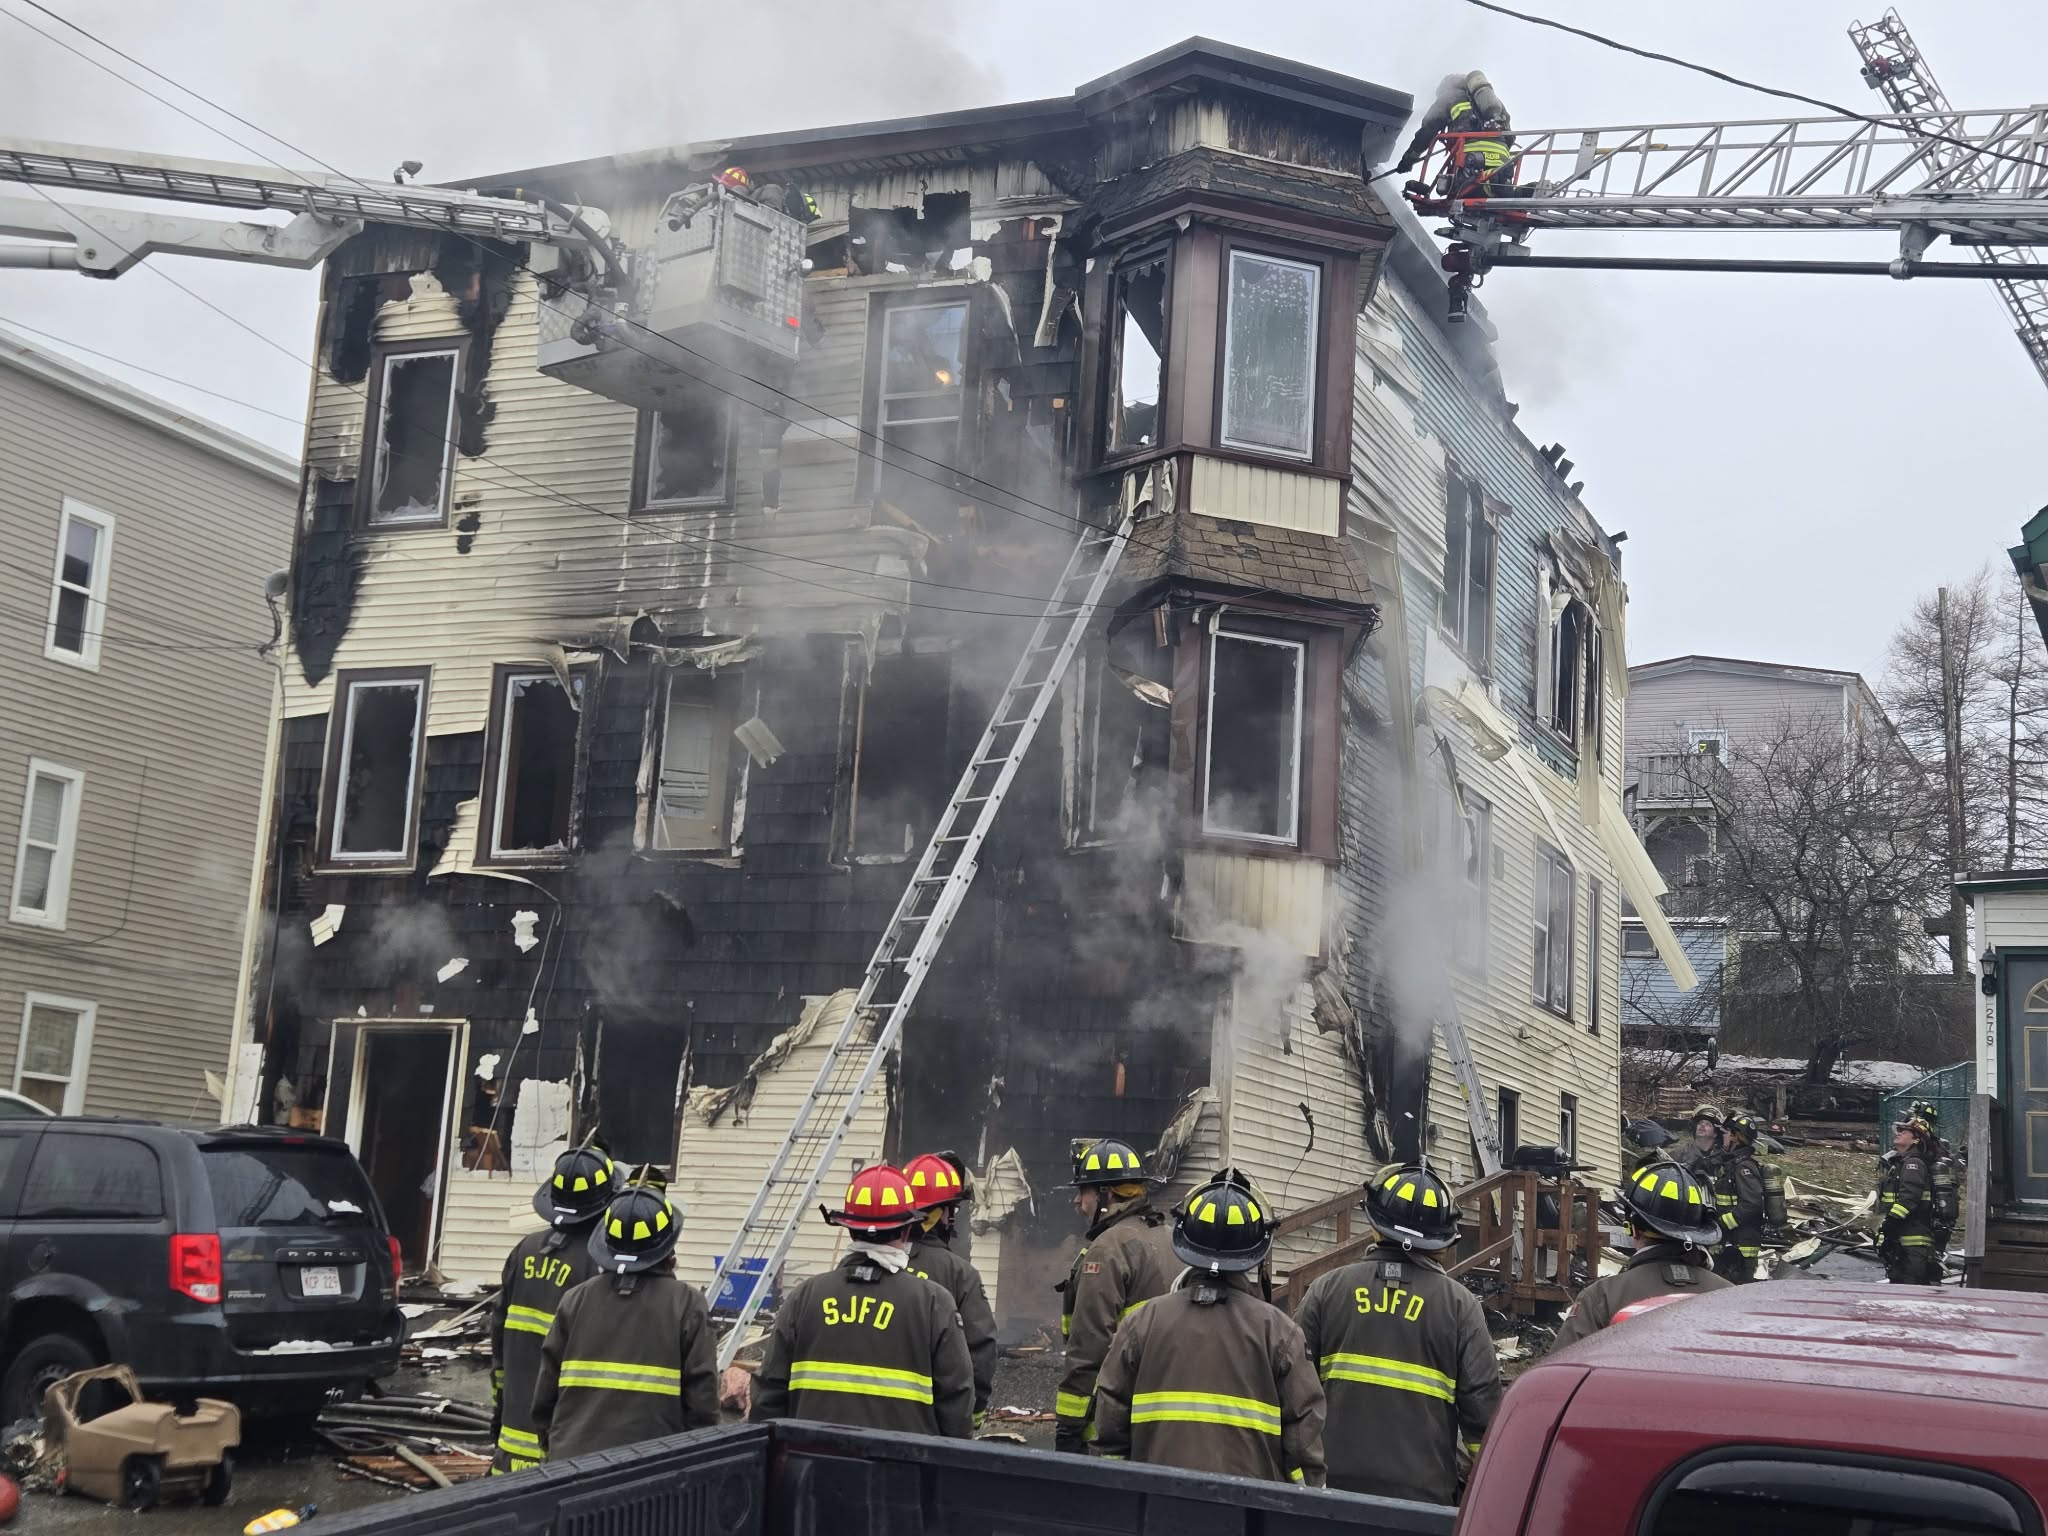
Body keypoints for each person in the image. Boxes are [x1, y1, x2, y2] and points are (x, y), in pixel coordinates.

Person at [1093, 1170, 1325, 1487]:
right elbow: (1302, 1444)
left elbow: (1110, 1425)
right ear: (1256, 1251)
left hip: (1156, 1502)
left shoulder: (1141, 1323)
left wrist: (1122, 1493)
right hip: (1249, 1509)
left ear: (1185, 1240)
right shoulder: (1281, 1334)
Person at [1295, 1164, 1502, 1505]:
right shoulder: (1460, 1306)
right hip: (1425, 1501)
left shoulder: (1326, 1291)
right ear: (1443, 1241)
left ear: (1375, 1226)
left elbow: (1292, 1393)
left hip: (1331, 1494)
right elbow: (1482, 1415)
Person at [751, 1164, 974, 1437]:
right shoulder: (934, 1303)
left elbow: (768, 1397)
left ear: (849, 1229)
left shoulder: (804, 1297)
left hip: (810, 1459)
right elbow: (957, 1404)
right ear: (906, 1230)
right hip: (903, 1462)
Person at [531, 1181, 719, 1462]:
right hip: (650, 1469)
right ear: (668, 1247)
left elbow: (546, 1391)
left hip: (571, 1465)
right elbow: (702, 1400)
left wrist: (553, 1446)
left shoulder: (575, 1299)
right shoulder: (687, 1304)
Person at [488, 1146, 613, 1472]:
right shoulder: (600, 1266)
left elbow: (498, 1338)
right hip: (566, 1452)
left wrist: (500, 1408)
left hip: (511, 1447)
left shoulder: (525, 1250)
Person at [1054, 1138, 1180, 1455]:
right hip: (1167, 1415)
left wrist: (1069, 1426)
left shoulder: (1108, 1248)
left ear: (1106, 1194)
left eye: (1083, 1191)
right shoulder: (1171, 1238)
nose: (1077, 1201)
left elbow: (1089, 1345)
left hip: (1117, 1419)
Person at [1553, 1161, 1731, 1347]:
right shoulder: (1730, 1296)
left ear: (1633, 1229)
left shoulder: (1602, 1298)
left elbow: (1562, 1363)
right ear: (1698, 1231)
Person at [904, 1152, 998, 1429]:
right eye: (952, 1209)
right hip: (932, 1423)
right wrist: (974, 1412)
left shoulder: (868, 1266)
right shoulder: (959, 1274)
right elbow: (980, 1348)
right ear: (942, 1213)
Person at [1395, 71, 1514, 198]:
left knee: (1459, 193)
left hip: (1470, 159)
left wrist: (1409, 159)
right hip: (1503, 161)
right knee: (1498, 190)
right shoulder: (1492, 101)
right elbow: (1510, 137)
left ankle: (1487, 185)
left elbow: (1428, 129)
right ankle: (1504, 187)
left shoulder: (1449, 96)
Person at [1878, 1118, 1940, 1285]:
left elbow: (1909, 1197)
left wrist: (1892, 1221)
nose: (1898, 1134)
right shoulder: (1901, 1163)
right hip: (1903, 1235)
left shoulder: (1913, 1164)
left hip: (1913, 1238)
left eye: (1904, 1132)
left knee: (1910, 1284)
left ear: (1915, 1140)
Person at [1711, 1111, 1767, 1284]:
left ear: (1736, 1137)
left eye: (1725, 1133)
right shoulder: (1731, 1165)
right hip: (1731, 1242)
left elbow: (1752, 1204)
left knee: (1736, 1291)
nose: (1721, 1137)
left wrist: (1723, 1223)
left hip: (1742, 1247)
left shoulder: (1744, 1168)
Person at [1672, 1105, 1723, 1175]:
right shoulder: (1680, 1153)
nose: (1702, 1125)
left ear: (1715, 1134)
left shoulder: (1721, 1157)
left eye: (1708, 1124)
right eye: (1700, 1123)